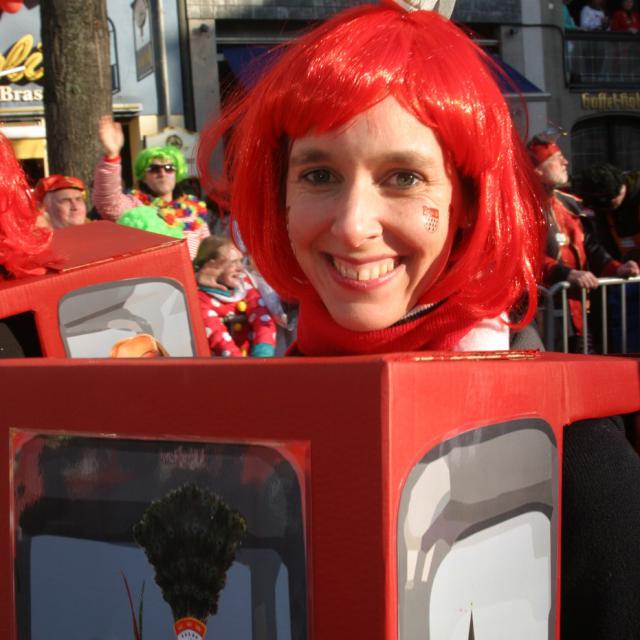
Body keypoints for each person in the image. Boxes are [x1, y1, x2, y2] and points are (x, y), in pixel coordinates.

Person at [197, 3, 640, 637]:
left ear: (467, 203)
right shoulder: (239, 434)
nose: (353, 225)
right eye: (319, 174)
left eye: (403, 177)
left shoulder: (574, 458)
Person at [527, 135, 639, 351]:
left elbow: (591, 245)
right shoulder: (521, 206)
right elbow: (523, 256)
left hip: (580, 311)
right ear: (537, 170)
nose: (565, 162)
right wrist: (565, 274)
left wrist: (617, 268)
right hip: (545, 312)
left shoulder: (569, 203)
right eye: (556, 159)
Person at [92, 115, 209, 258]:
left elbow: (208, 249)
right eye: (154, 169)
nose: (162, 173)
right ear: (144, 177)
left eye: (169, 168)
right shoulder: (135, 205)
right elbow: (108, 200)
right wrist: (112, 156)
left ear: (176, 173)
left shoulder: (193, 209)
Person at [194, 235, 276, 357]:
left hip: (252, 362)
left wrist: (263, 354)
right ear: (212, 266)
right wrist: (240, 365)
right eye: (233, 262)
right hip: (224, 366)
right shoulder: (200, 298)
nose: (240, 268)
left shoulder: (244, 285)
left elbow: (262, 317)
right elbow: (218, 338)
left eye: (240, 261)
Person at [573, 162, 640, 262]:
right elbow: (605, 245)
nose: (603, 208)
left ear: (621, 189)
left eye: (607, 203)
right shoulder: (602, 207)